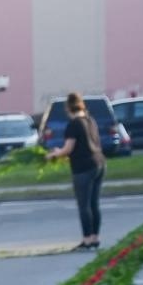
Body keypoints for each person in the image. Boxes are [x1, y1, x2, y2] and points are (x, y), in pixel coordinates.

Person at [46, 92, 105, 249]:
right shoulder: (90, 120)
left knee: (83, 205)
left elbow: (68, 148)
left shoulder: (74, 124)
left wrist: (54, 154)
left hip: (83, 167)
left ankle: (86, 240)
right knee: (94, 204)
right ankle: (95, 238)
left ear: (68, 108)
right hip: (98, 163)